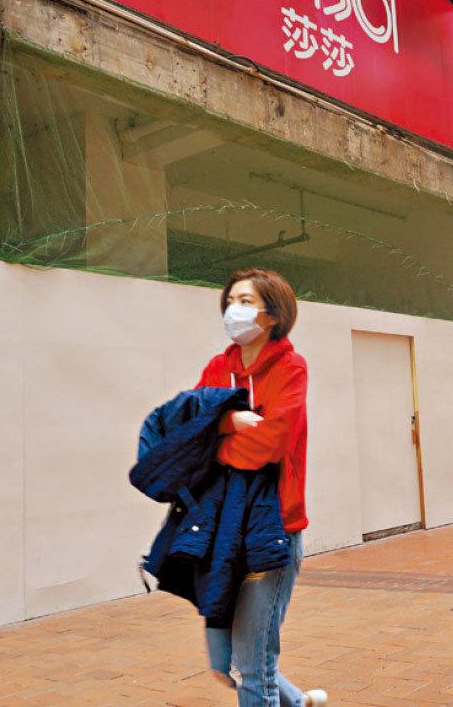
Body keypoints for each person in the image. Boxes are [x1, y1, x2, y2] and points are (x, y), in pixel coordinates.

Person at [194, 269, 327, 707]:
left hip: (271, 529)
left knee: (252, 664)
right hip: (221, 531)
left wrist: (217, 439)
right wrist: (232, 421)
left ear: (273, 314)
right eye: (231, 300)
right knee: (226, 661)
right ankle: (298, 702)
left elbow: (270, 445)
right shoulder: (218, 368)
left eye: (246, 301)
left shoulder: (290, 367)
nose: (233, 309)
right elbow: (189, 428)